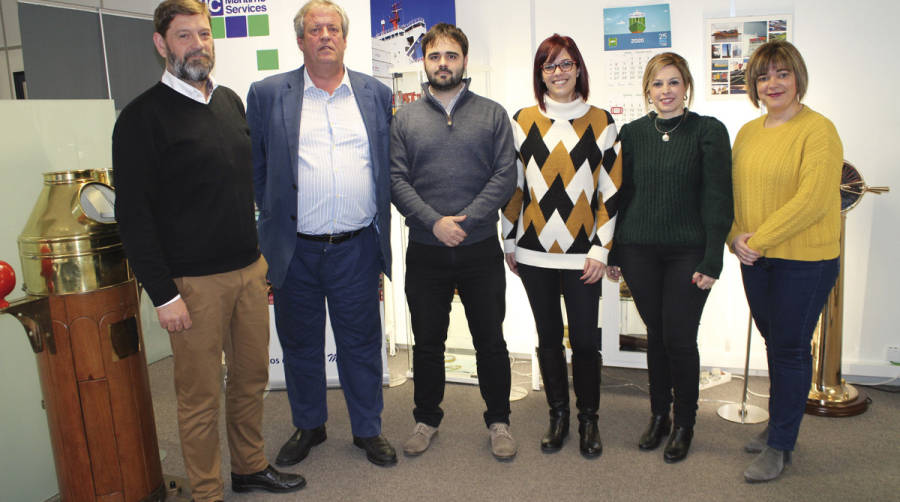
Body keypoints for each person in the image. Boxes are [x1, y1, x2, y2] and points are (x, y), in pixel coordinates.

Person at [112, 1, 305, 499]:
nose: (198, 44)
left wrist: (259, 261)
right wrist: (162, 295)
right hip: (191, 286)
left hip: (246, 272)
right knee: (198, 398)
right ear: (161, 44)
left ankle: (248, 467)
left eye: (203, 33)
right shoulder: (141, 119)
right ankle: (206, 491)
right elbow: (133, 216)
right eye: (183, 36)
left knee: (249, 382)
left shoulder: (229, 103)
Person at [245, 0, 396, 467]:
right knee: (300, 343)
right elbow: (257, 167)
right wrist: (269, 230)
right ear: (300, 39)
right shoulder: (269, 93)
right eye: (315, 29)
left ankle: (367, 429)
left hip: (357, 247)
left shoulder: (374, 93)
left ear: (346, 39)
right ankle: (309, 425)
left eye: (333, 28)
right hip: (296, 250)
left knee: (362, 343)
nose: (325, 35)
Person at [390, 23, 518, 460]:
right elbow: (396, 179)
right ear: (423, 62)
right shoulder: (404, 118)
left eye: (451, 55)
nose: (442, 63)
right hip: (426, 249)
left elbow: (506, 175)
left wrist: (468, 219)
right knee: (427, 340)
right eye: (434, 56)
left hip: (480, 246)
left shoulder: (493, 113)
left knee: (490, 339)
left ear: (464, 60)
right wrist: (434, 222)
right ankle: (426, 418)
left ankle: (499, 421)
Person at [606, 52, 733, 463]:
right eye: (658, 84)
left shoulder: (708, 131)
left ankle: (685, 423)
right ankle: (659, 415)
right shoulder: (632, 133)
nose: (666, 91)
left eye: (674, 82)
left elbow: (718, 198)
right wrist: (611, 249)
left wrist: (713, 257)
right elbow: (620, 197)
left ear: (687, 86)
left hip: (687, 251)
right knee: (656, 337)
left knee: (679, 337)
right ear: (647, 90)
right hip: (639, 249)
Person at [501, 34, 620, 458]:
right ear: (540, 74)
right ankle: (558, 417)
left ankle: (589, 419)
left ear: (578, 69)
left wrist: (600, 250)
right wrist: (509, 240)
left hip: (583, 256)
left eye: (566, 64)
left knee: (585, 341)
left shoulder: (602, 122)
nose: (559, 73)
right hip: (533, 254)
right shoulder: (522, 120)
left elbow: (610, 193)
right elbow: (514, 189)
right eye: (550, 66)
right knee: (549, 337)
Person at [729, 40, 842, 483]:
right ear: (754, 85)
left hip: (804, 262)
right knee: (775, 343)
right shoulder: (748, 133)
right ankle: (780, 425)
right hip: (755, 258)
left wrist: (759, 240)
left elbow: (813, 199)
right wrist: (734, 237)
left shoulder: (819, 130)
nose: (772, 83)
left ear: (798, 78)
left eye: (781, 74)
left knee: (790, 349)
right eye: (763, 76)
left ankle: (780, 445)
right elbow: (733, 194)